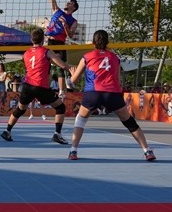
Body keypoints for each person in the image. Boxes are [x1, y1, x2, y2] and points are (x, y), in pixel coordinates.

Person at [67, 29, 157, 162]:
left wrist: (71, 74)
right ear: (108, 41)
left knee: (80, 120)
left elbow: (72, 82)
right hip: (112, 93)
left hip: (93, 93)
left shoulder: (87, 57)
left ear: (93, 42)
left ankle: (73, 151)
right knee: (130, 123)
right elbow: (118, 80)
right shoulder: (115, 58)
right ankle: (147, 151)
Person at [0, 28, 71, 144]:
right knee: (60, 107)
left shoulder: (26, 54)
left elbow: (36, 65)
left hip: (27, 85)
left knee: (20, 109)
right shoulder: (46, 51)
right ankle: (57, 134)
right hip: (40, 87)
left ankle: (7, 131)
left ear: (31, 39)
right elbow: (62, 65)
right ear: (43, 39)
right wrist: (73, 70)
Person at [45, 0, 79, 94]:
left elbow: (71, 35)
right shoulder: (57, 11)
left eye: (70, 3)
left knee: (61, 66)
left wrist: (65, 26)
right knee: (46, 65)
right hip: (50, 41)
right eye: (68, 2)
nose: (67, 3)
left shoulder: (73, 21)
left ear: (73, 8)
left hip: (60, 43)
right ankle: (45, 88)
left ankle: (61, 91)